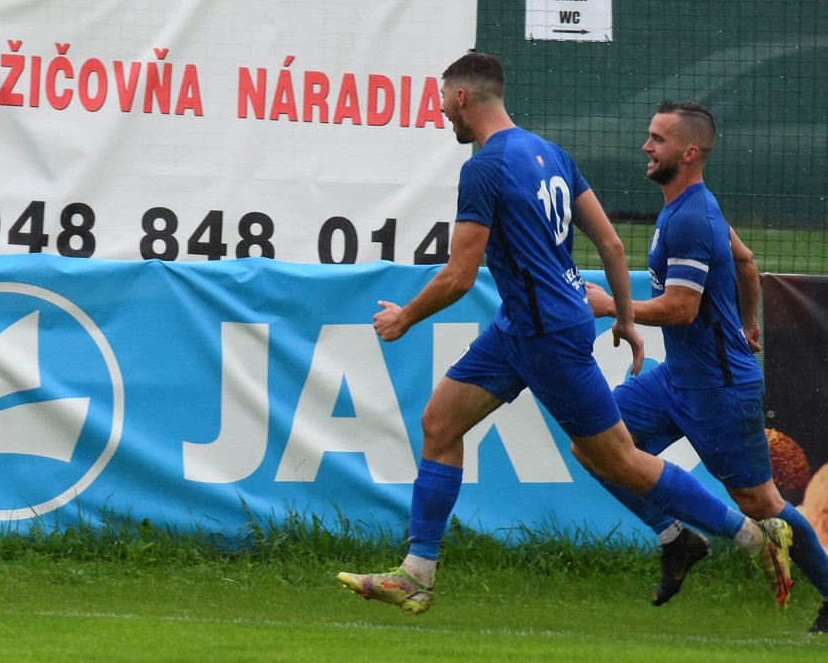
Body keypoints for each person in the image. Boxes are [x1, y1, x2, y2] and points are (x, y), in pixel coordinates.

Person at [334, 53, 792, 615]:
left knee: (619, 459)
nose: (442, 109)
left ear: (463, 98)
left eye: (443, 98)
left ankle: (752, 536)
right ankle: (417, 574)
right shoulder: (551, 153)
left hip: (546, 333)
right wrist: (625, 319)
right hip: (520, 326)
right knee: (439, 423)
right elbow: (612, 244)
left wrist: (405, 317)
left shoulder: (483, 168)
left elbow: (459, 275)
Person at [580, 101, 828, 633]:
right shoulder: (689, 207)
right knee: (594, 446)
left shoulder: (691, 217)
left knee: (762, 502)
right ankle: (677, 540)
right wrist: (749, 323)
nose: (646, 147)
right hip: (679, 378)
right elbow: (746, 261)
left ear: (689, 152)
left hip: (719, 387)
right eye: (649, 136)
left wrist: (613, 308)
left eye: (657, 139)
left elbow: (681, 308)